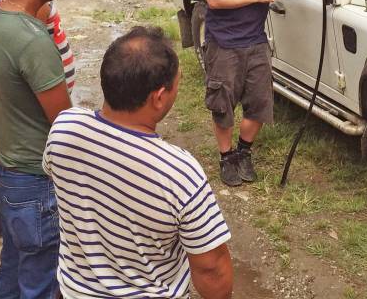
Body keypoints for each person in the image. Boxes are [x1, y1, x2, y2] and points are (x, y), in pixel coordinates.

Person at [43, 26, 233, 299]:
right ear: (158, 98)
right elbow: (211, 270)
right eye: (177, 83)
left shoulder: (65, 127)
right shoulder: (180, 172)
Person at [0, 0, 72, 299]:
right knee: (41, 283)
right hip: (37, 179)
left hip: (10, 173)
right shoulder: (32, 40)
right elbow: (63, 124)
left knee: (14, 271)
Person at [201, 0, 293, 186]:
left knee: (259, 102)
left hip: (255, 40)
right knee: (222, 104)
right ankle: (226, 157)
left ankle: (244, 152)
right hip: (224, 42)